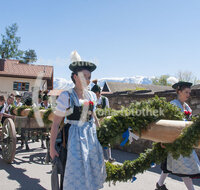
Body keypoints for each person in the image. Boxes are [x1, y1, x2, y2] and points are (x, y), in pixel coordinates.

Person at [50, 51, 106, 190]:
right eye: (84, 77)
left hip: (91, 137)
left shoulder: (92, 96)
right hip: (73, 138)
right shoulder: (66, 96)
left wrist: (100, 131)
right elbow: (56, 122)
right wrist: (51, 147)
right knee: (75, 172)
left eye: (89, 77)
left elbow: (93, 116)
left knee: (92, 170)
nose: (87, 80)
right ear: (75, 77)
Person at [156, 81, 200, 190]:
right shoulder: (173, 105)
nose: (188, 95)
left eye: (189, 92)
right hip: (175, 141)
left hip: (184, 142)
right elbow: (166, 124)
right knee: (184, 169)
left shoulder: (187, 107)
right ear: (179, 92)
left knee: (170, 166)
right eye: (186, 92)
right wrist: (163, 140)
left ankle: (159, 184)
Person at [91, 79, 115, 163]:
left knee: (106, 140)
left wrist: (104, 117)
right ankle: (98, 158)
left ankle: (109, 157)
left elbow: (107, 110)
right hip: (94, 123)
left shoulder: (105, 99)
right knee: (95, 141)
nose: (97, 95)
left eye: (98, 93)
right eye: (96, 93)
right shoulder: (91, 100)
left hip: (103, 121)